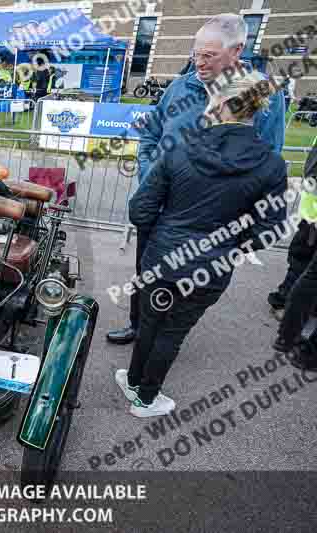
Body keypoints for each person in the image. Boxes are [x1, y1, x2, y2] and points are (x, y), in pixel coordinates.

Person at [107, 13, 287, 345]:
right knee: (146, 274)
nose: (199, 62)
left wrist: (239, 228)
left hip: (214, 220)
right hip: (160, 210)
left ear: (237, 50)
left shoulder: (264, 94)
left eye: (209, 55)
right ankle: (139, 326)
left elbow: (269, 156)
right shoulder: (180, 86)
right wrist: (149, 177)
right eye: (196, 53)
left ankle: (165, 339)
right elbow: (150, 134)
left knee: (190, 290)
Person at [119, 71, 287, 417]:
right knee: (169, 330)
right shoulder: (271, 163)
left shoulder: (181, 149)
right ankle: (139, 388)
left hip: (165, 256)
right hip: (209, 265)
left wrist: (165, 235)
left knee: (155, 324)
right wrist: (232, 245)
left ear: (219, 103)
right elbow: (269, 229)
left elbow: (141, 209)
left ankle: (143, 395)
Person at [273, 146, 317, 371]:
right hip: (312, 217)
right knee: (304, 271)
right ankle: (291, 336)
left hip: (312, 215)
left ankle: (288, 335)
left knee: (308, 275)